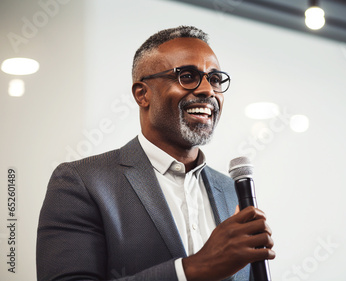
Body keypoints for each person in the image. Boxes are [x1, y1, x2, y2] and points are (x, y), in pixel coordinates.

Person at [37, 26, 275, 281]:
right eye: (187, 76)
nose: (208, 90)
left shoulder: (230, 191)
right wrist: (193, 269)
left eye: (215, 79)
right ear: (143, 94)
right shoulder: (82, 182)